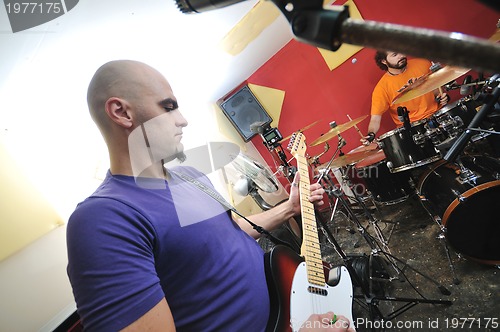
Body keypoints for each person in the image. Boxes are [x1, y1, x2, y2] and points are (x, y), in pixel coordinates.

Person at [66, 60, 355, 331]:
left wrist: (290, 207)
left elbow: (228, 232)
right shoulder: (104, 218)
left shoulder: (192, 177)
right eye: (168, 107)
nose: (182, 120)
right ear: (122, 112)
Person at [363, 51, 449, 143]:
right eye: (395, 55)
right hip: (414, 129)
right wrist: (371, 134)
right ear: (384, 61)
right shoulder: (382, 88)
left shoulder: (423, 63)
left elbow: (436, 90)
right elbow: (375, 119)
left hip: (438, 116)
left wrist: (442, 97)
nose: (401, 56)